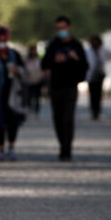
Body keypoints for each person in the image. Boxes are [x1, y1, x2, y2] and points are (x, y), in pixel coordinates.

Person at [40, 16, 88, 161]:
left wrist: (76, 59)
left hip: (70, 87)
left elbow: (85, 66)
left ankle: (67, 149)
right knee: (58, 118)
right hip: (55, 87)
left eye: (63, 28)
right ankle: (62, 144)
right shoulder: (53, 45)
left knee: (68, 118)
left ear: (69, 27)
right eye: (58, 28)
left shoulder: (77, 45)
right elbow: (44, 64)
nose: (61, 31)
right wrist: (54, 60)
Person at [0, 25, 26, 161]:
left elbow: (24, 71)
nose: (2, 42)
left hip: (14, 93)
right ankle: (1, 149)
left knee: (13, 121)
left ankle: (12, 148)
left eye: (4, 39)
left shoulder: (14, 54)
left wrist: (17, 71)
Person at [85, 35, 111, 120]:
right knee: (92, 93)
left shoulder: (103, 49)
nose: (95, 43)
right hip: (91, 74)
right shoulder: (87, 50)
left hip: (100, 74)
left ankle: (97, 111)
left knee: (98, 93)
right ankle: (93, 111)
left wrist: (104, 60)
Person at [23, 44, 44, 115]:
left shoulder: (39, 59)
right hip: (29, 81)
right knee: (29, 96)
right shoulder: (26, 59)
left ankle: (36, 110)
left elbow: (41, 69)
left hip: (38, 80)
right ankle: (29, 109)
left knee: (37, 96)